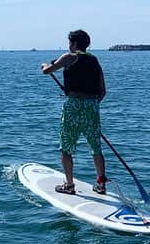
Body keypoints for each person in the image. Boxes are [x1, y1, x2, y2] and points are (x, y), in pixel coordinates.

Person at [40, 29, 108, 195]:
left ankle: (69, 185)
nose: (69, 45)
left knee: (66, 147)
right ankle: (101, 185)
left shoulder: (69, 56)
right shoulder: (94, 60)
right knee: (95, 147)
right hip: (92, 106)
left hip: (73, 106)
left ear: (74, 43)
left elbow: (47, 71)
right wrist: (90, 105)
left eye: (70, 43)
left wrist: (45, 65)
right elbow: (103, 91)